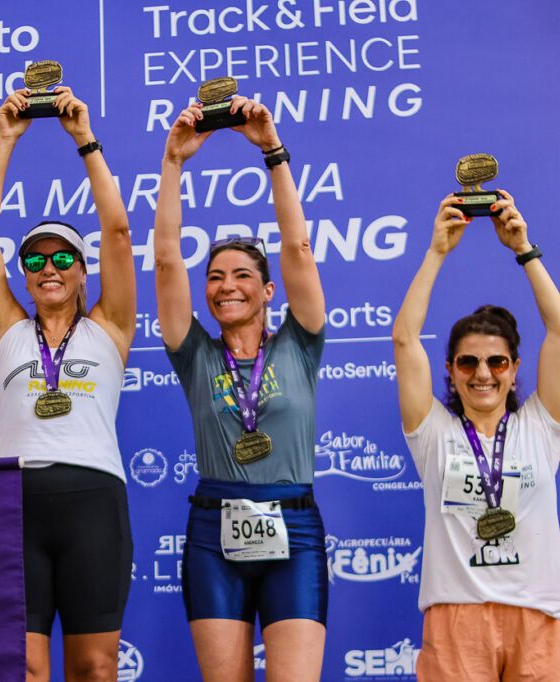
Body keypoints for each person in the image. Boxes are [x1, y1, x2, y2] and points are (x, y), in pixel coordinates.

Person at [0, 87, 136, 682]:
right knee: (26, 670)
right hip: (13, 503)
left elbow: (118, 232)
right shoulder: (6, 329)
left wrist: (84, 140)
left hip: (93, 500)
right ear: (24, 275)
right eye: (35, 261)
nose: (48, 269)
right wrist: (6, 139)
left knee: (94, 668)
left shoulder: (110, 327)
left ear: (83, 271)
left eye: (63, 258)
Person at [153, 100, 328, 681]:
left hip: (295, 527)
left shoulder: (300, 342)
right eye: (215, 277)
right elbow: (166, 261)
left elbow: (297, 248)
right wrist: (173, 163)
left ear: (269, 290)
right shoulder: (195, 353)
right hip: (214, 531)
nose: (226, 286)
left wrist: (272, 151)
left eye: (242, 275)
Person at [392, 191, 560, 680]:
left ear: (514, 368)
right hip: (456, 617)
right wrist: (436, 252)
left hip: (539, 616)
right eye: (468, 362)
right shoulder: (432, 432)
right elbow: (405, 338)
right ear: (450, 369)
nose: (482, 373)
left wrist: (524, 250)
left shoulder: (541, 424)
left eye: (496, 362)